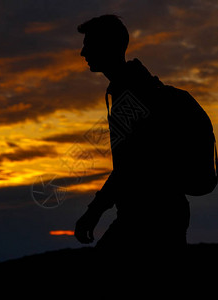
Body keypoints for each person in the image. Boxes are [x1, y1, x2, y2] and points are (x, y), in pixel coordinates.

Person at [74, 15, 191, 262]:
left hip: (150, 217)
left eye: (89, 44)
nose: (83, 52)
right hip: (163, 211)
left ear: (108, 46)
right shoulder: (136, 86)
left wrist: (93, 212)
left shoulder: (132, 93)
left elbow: (130, 166)